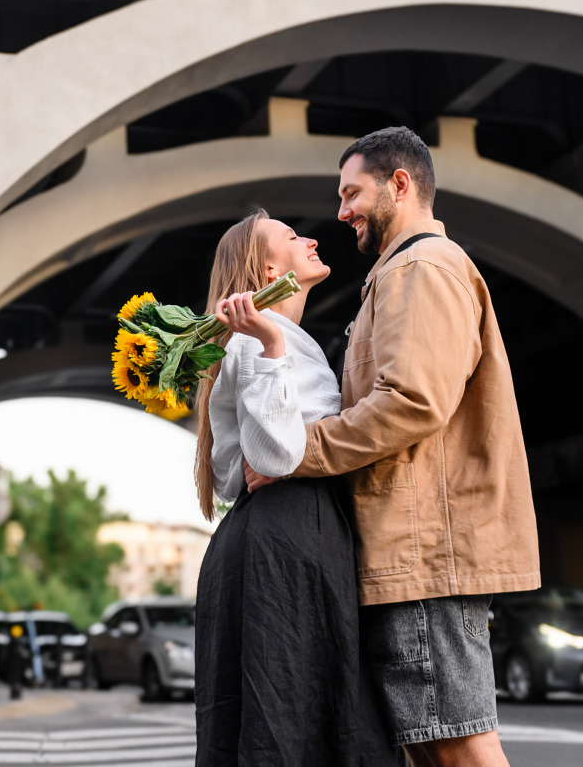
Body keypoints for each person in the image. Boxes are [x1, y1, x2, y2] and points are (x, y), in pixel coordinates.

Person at [246, 127, 540, 767]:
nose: (342, 210)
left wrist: (294, 452)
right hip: (416, 551)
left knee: (457, 743)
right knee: (434, 744)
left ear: (399, 185)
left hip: (425, 552)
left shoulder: (420, 268)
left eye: (352, 193)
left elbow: (413, 401)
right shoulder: (403, 273)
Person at [193, 209, 399, 767]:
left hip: (275, 540)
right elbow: (277, 455)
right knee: (296, 713)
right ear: (266, 269)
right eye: (291, 236)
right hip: (287, 545)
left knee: (284, 715)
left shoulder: (278, 338)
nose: (310, 238)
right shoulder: (260, 339)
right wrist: (270, 348)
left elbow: (240, 464)